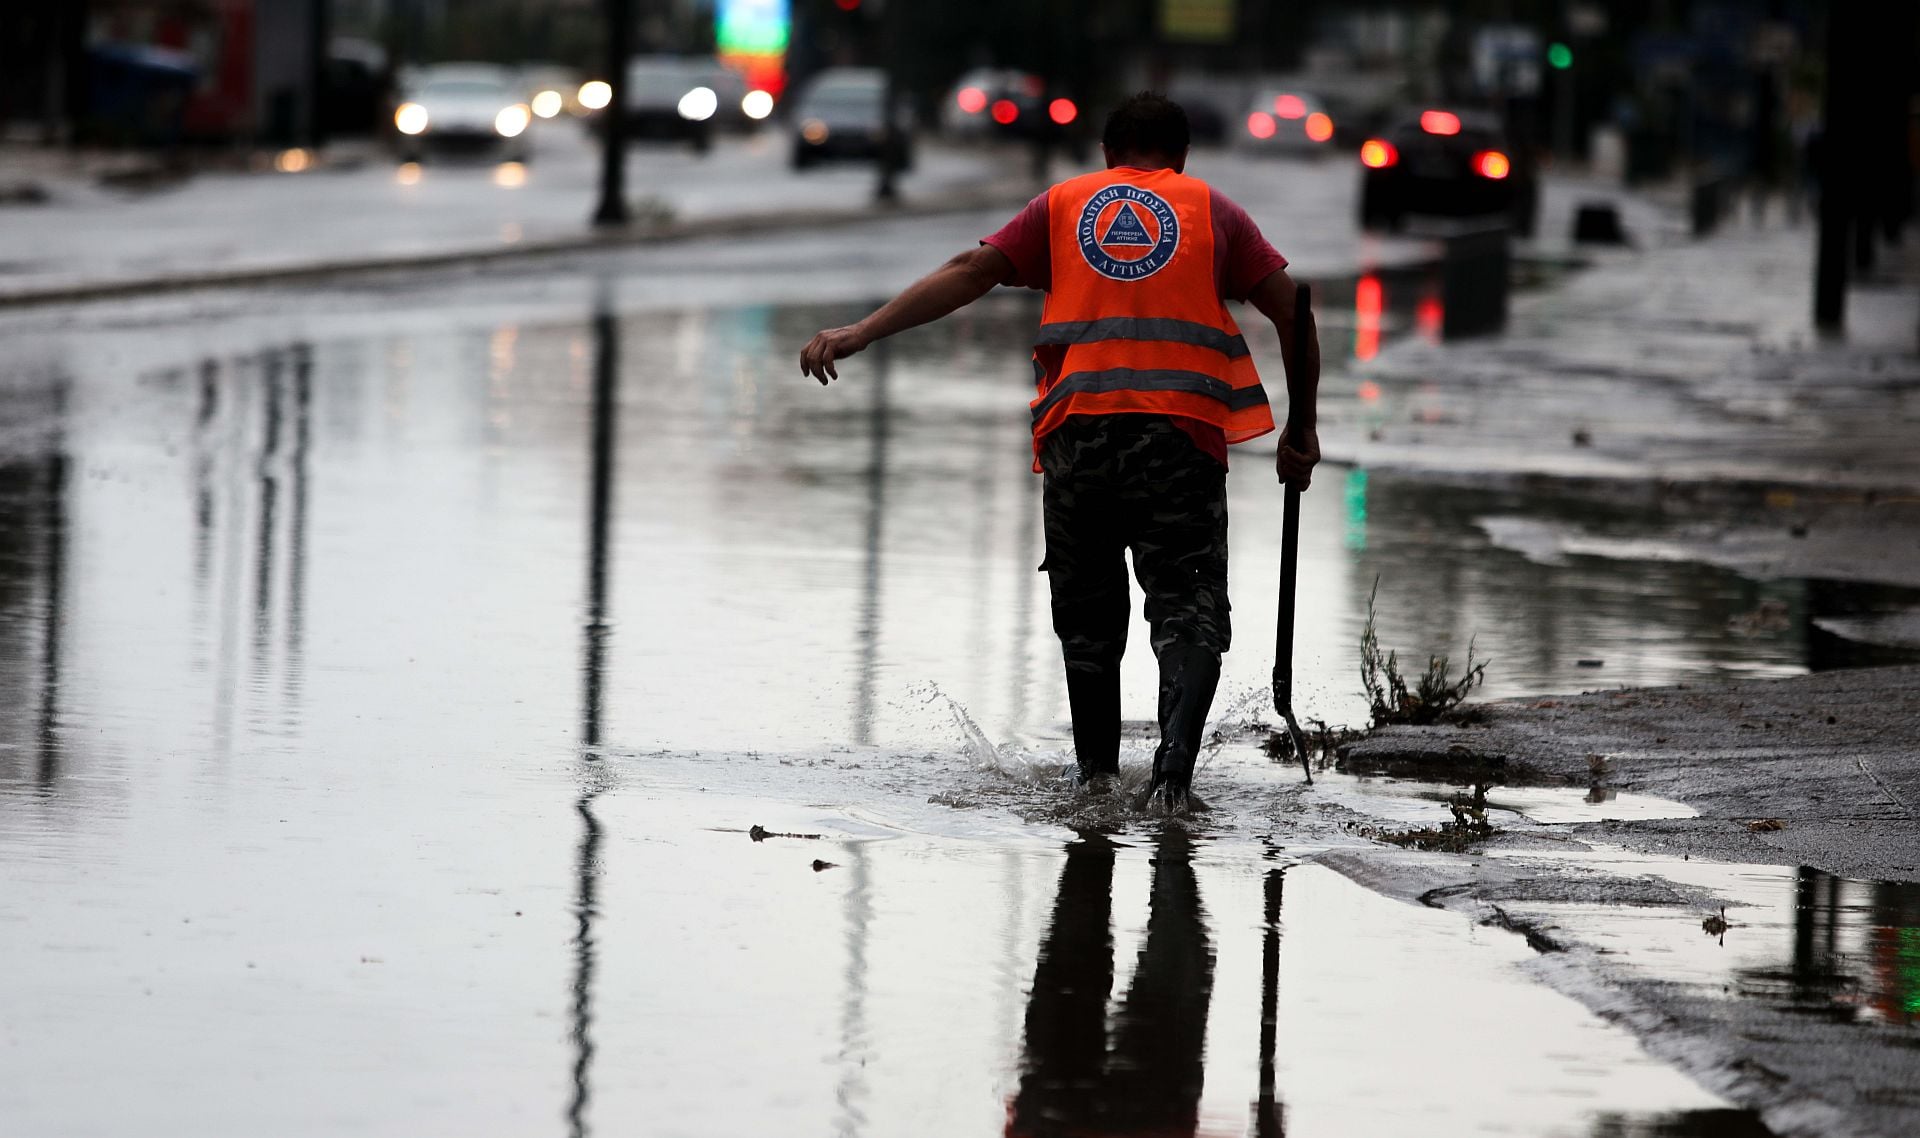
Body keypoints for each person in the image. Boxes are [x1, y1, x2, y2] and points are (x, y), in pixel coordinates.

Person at [799, 92, 1320, 806]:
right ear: (1183, 157)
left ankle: (1098, 780)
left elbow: (968, 272)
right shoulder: (1212, 210)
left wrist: (861, 331)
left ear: (1107, 155)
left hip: (1080, 438)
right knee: (1188, 606)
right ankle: (1172, 779)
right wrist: (1302, 429)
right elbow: (1294, 312)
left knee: (1088, 616)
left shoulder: (1064, 204)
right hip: (1181, 436)